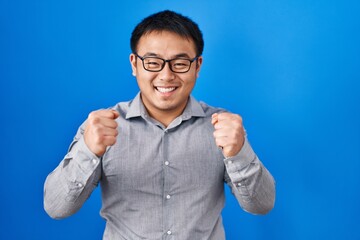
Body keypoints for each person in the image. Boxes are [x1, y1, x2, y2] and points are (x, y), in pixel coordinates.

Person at [44, 10, 275, 240]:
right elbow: (56, 208)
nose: (166, 75)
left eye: (180, 63)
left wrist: (239, 153)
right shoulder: (101, 127)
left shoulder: (223, 127)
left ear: (198, 66)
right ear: (134, 64)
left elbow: (262, 205)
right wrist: (88, 150)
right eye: (153, 62)